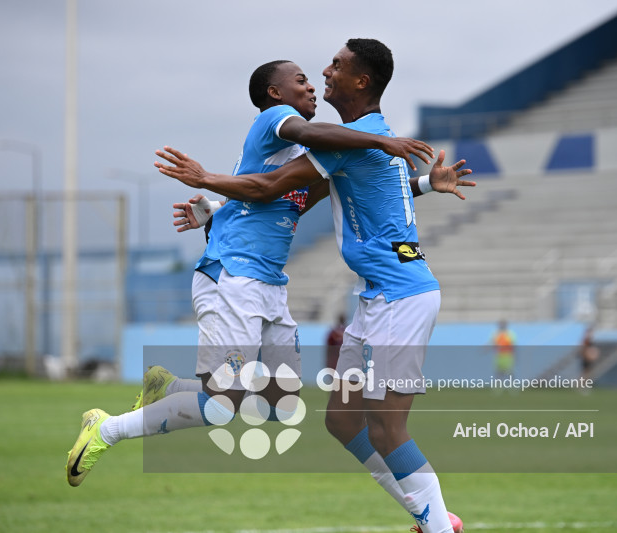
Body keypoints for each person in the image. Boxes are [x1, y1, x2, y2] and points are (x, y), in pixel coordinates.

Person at [66, 59, 438, 488]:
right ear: (275, 93)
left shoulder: (302, 160)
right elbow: (291, 157)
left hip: (269, 283)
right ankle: (107, 429)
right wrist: (380, 139)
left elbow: (336, 189)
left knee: (280, 402)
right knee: (220, 405)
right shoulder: (276, 118)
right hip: (234, 275)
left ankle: (165, 388)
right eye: (300, 81)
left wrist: (426, 183)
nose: (311, 87)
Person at [155, 38, 473, 533]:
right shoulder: (369, 139)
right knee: (342, 422)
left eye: (336, 65)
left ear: (361, 81)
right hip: (378, 298)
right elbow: (307, 197)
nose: (325, 71)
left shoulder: (359, 139)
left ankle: (436, 524)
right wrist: (429, 183)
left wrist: (205, 179)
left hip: (401, 296)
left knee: (388, 429)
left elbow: (270, 187)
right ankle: (430, 515)